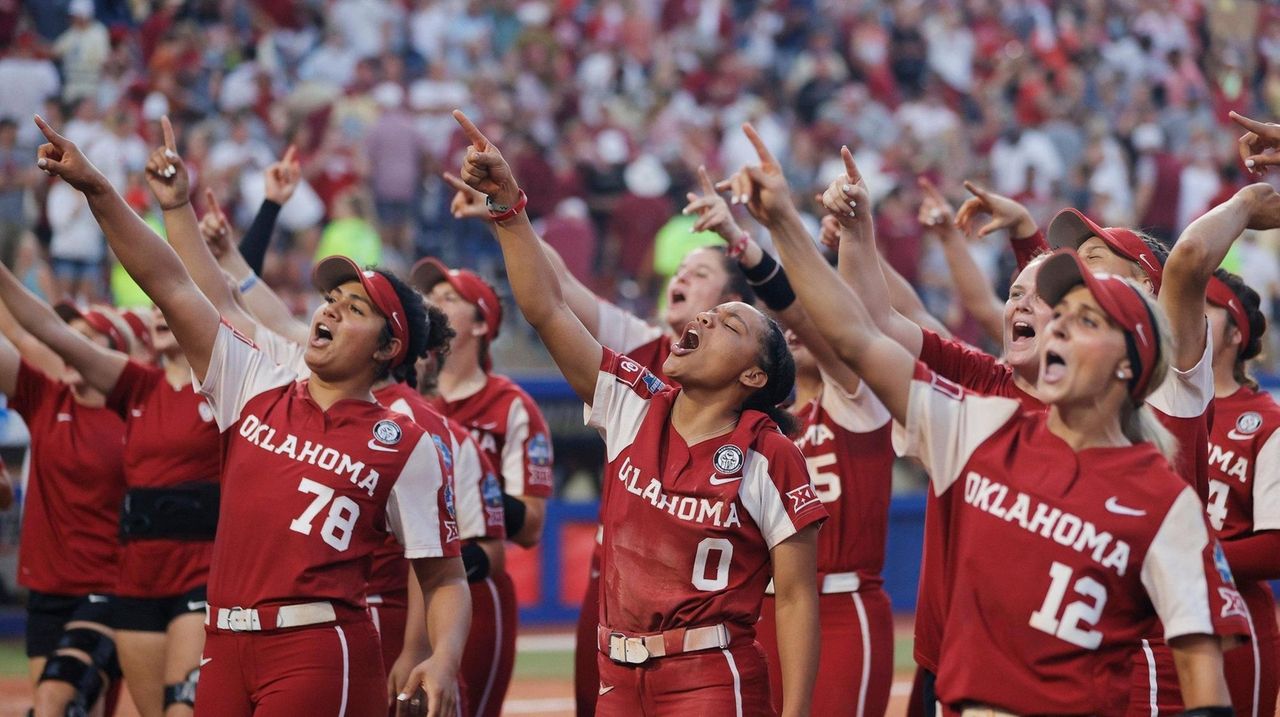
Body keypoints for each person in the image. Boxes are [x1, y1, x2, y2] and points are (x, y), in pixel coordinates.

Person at [769, 134, 1247, 714]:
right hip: (952, 682)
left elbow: (1205, 683)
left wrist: (1251, 200)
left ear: (1134, 346)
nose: (1057, 324)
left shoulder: (1165, 473)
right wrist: (786, 226)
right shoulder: (985, 423)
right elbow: (861, 333)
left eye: (1084, 309)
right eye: (1058, 309)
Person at [33, 114, 470, 716]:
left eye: (356, 309)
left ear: (389, 348)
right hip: (225, 642)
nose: (332, 311)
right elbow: (174, 285)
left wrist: (441, 656)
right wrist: (99, 190)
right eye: (331, 300)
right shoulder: (258, 379)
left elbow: (445, 574)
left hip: (316, 644)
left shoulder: (406, 440)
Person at [452, 109, 826, 715]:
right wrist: (507, 207)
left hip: (710, 675)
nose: (704, 316)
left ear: (753, 376)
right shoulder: (632, 398)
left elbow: (796, 598)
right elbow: (547, 310)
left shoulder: (771, 454)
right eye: (711, 311)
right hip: (616, 674)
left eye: (729, 321)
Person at [684, 165, 896, 715]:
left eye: (809, 318)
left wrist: (743, 240)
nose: (797, 326)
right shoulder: (757, 421)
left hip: (842, 605)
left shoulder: (859, 398)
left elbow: (798, 311)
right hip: (762, 609)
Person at [0, 255, 216, 717]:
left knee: (78, 699)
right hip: (104, 587)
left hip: (147, 581)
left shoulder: (206, 389)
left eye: (89, 339)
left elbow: (233, 311)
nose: (73, 346)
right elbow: (37, 332)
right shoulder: (112, 390)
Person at [0, 300, 125, 716]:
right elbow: (13, 339)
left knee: (58, 701)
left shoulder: (136, 412)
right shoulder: (46, 398)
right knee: (57, 706)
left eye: (87, 341)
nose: (73, 349)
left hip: (109, 589)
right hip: (48, 590)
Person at [1203, 270, 1280, 717]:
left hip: (1234, 621)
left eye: (1203, 306)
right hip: (1149, 610)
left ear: (1235, 333)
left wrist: (1189, 560)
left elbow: (1275, 549)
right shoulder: (1150, 401)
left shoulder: (1267, 423)